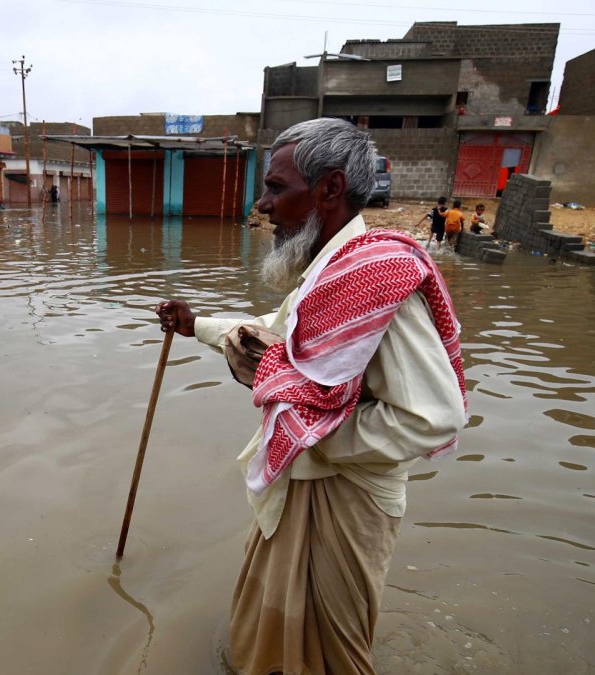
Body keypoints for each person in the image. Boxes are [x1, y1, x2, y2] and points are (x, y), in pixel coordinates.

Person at [154, 118, 466, 675]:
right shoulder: (330, 273)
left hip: (346, 500)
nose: (263, 204)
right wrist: (196, 324)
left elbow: (435, 417)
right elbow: (276, 340)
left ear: (329, 189)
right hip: (304, 484)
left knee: (334, 657)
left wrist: (317, 435)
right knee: (268, 637)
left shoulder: (376, 276)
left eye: (276, 188)